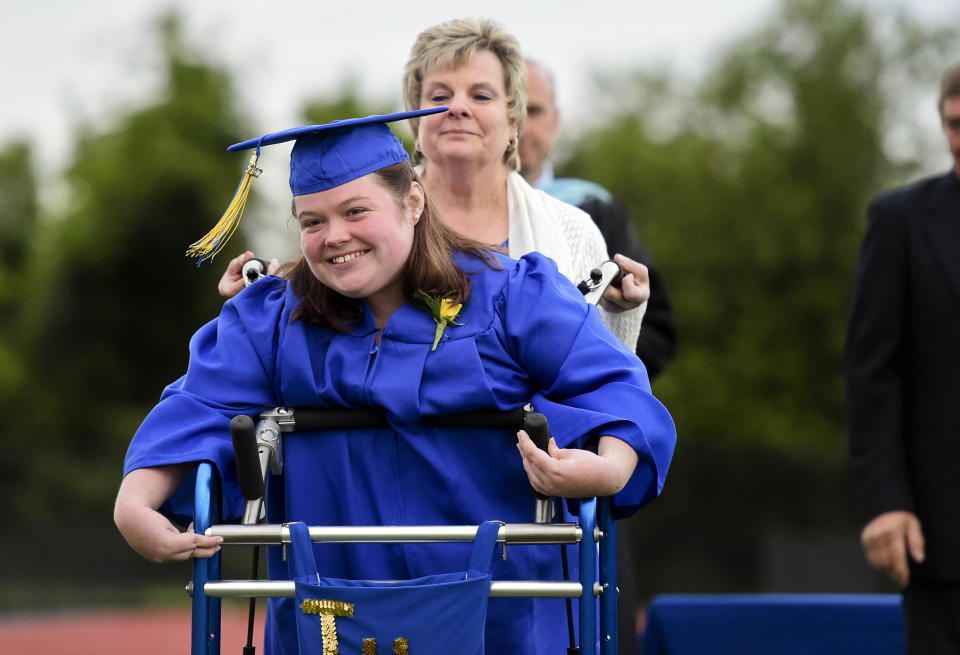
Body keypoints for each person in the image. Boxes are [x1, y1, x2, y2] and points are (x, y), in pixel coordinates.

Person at [114, 110, 678, 655]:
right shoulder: (272, 318)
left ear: (412, 201)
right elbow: (202, 403)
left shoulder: (512, 296)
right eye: (313, 221)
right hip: (332, 616)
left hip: (495, 611)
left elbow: (612, 385)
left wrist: (609, 466)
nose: (334, 236)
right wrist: (136, 503)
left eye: (356, 211)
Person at [847, 59, 960, 653]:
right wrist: (886, 500)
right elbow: (872, 373)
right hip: (943, 539)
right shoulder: (901, 222)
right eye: (954, 123)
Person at [519, 58, 677, 380]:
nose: (521, 126)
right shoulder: (448, 212)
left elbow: (656, 331)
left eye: (533, 111)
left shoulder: (592, 208)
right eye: (511, 109)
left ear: (555, 120)